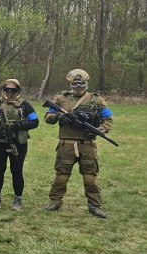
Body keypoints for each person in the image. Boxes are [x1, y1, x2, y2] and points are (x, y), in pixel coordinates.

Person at [44, 69, 114, 218]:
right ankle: (55, 201)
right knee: (61, 175)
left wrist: (97, 130)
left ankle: (95, 205)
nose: (78, 86)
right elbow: (48, 117)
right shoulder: (60, 98)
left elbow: (108, 121)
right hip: (66, 144)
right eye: (75, 83)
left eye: (81, 83)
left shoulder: (96, 100)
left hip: (87, 144)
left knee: (90, 177)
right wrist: (59, 117)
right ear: (70, 84)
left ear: (86, 83)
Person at [0, 79, 39, 211]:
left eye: (13, 90)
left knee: (17, 171)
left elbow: (34, 121)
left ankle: (17, 200)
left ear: (18, 90)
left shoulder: (25, 105)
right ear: (3, 90)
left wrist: (18, 126)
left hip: (18, 143)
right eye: (7, 89)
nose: (10, 92)